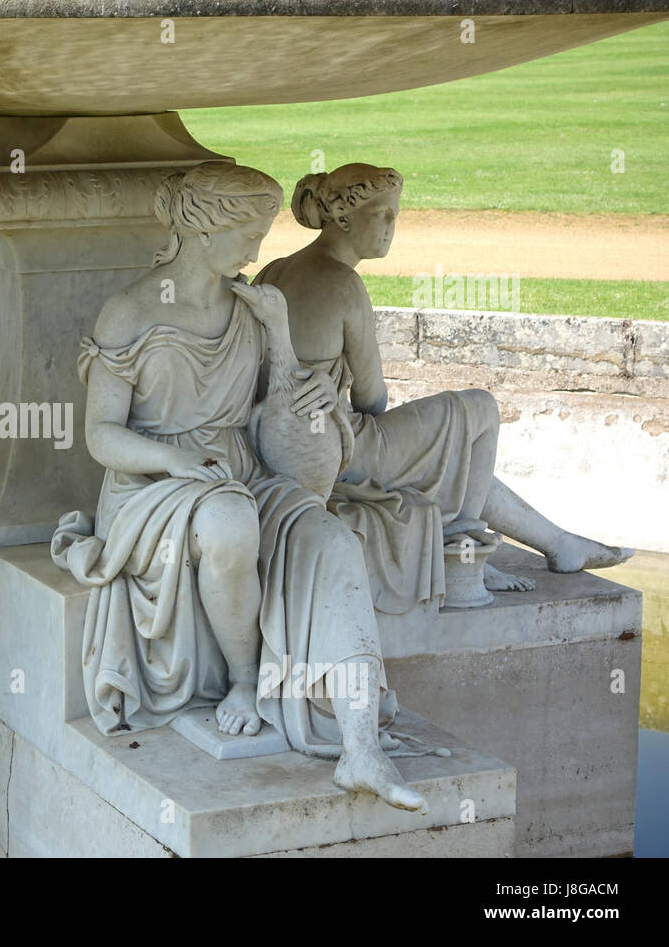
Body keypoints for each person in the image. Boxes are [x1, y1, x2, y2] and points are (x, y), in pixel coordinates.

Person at [52, 162, 433, 813]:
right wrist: (172, 464)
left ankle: (361, 746)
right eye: (248, 234)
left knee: (330, 539)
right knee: (229, 524)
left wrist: (296, 367)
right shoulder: (130, 313)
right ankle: (242, 680)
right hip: (151, 488)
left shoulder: (257, 305)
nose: (259, 250)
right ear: (204, 226)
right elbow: (101, 437)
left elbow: (280, 421)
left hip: (242, 471)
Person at [255, 163, 631, 613]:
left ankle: (559, 543)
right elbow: (372, 400)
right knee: (480, 410)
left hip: (279, 443)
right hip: (342, 448)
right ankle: (466, 551)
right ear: (343, 218)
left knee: (457, 451)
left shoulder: (274, 270)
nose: (393, 227)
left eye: (395, 215)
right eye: (384, 215)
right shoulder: (343, 284)